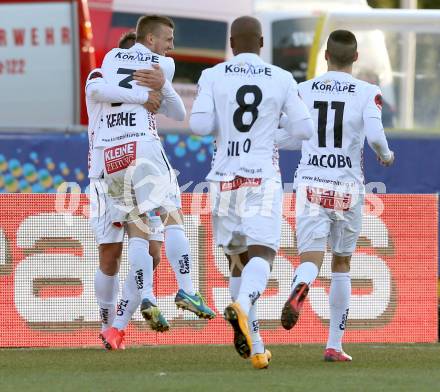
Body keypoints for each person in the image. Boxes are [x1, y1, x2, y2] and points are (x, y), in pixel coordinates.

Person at [190, 16, 313, 369]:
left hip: (223, 178)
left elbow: (199, 125)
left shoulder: (212, 75)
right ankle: (242, 308)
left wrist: (224, 126)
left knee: (237, 262)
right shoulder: (282, 78)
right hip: (261, 177)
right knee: (263, 255)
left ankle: (257, 347)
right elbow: (303, 129)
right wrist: (271, 129)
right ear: (261, 42)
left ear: (231, 43)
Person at [96, 15, 216, 349]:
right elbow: (178, 114)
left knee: (137, 226)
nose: (172, 46)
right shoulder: (162, 63)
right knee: (171, 212)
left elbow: (102, 89)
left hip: (112, 154)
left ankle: (145, 297)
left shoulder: (109, 59)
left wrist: (146, 92)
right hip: (143, 145)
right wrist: (162, 83)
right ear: (150, 39)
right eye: (168, 39)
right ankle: (187, 288)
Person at [279, 30, 394, 362]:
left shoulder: (303, 90)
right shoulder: (367, 92)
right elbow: (374, 136)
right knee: (342, 263)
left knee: (310, 260)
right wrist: (385, 156)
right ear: (356, 58)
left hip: (310, 185)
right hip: (346, 189)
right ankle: (334, 344)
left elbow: (288, 133)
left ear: (325, 55)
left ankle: (301, 287)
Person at [86, 31, 165, 350]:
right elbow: (96, 89)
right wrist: (144, 94)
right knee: (110, 255)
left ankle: (119, 324)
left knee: (153, 253)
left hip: (141, 170)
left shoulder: (152, 83)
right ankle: (107, 326)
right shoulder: (99, 75)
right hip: (104, 174)